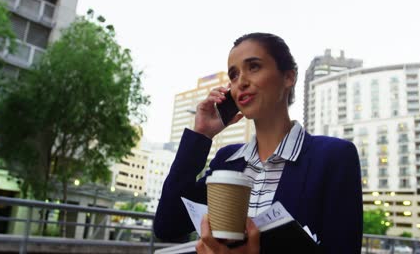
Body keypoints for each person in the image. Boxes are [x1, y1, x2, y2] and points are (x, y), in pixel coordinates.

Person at [154, 33, 363, 254]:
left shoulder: (334, 157)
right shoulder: (227, 160)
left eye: (253, 67)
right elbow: (168, 226)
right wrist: (201, 136)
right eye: (234, 75)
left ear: (288, 77)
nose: (241, 82)